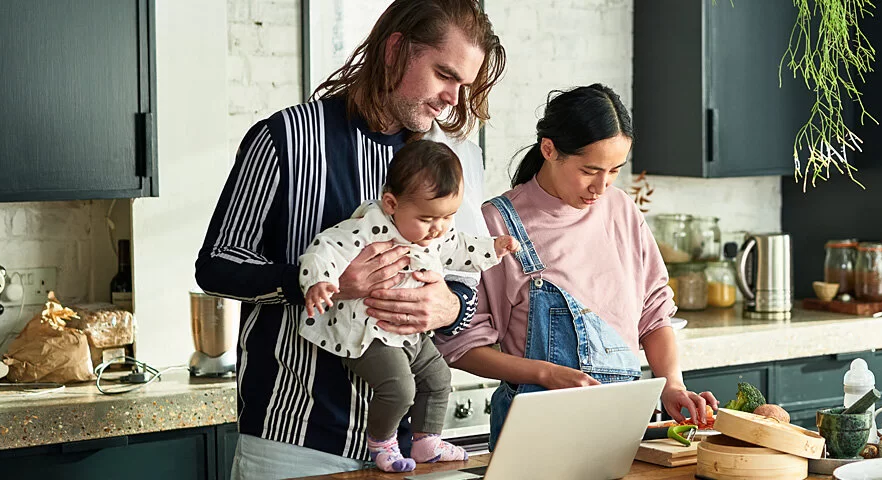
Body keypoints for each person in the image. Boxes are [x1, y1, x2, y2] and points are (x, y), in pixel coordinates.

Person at [194, 0, 505, 477]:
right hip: (294, 443)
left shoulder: (445, 159)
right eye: (445, 75)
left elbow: (462, 281)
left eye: (464, 85)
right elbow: (216, 264)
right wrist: (319, 284)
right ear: (396, 50)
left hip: (403, 454)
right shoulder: (285, 139)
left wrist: (449, 307)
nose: (454, 99)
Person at [433, 84, 717, 450]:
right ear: (549, 149)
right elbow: (461, 345)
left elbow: (654, 315)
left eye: (614, 171)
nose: (601, 187)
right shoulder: (495, 224)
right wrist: (546, 373)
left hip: (620, 426)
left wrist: (672, 384)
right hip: (536, 432)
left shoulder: (622, 211)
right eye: (590, 170)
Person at [297, 140, 519, 472]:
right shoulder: (368, 227)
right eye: (428, 218)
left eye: (448, 217)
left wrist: (493, 248)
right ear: (391, 203)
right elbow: (325, 248)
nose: (439, 228)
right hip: (367, 332)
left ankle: (426, 440)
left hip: (412, 336)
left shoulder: (436, 233)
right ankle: (382, 444)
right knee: (400, 388)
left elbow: (459, 247)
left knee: (439, 377)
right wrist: (319, 281)